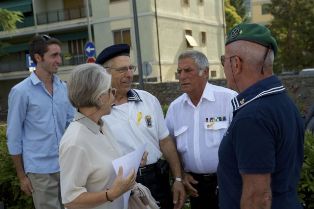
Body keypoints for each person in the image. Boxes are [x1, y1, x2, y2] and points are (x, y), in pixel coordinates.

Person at [218, 23, 304, 209]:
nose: (224, 66)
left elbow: (258, 198)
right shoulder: (281, 102)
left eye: (223, 60)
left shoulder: (253, 116)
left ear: (236, 64)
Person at [95, 44, 186, 209]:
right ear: (106, 72)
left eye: (131, 68)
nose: (129, 74)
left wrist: (178, 179)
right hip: (124, 184)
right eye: (122, 69)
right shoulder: (97, 110)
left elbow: (165, 142)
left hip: (158, 178)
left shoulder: (148, 99)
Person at [6, 34, 75, 209]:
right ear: (38, 57)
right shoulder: (21, 92)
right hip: (40, 171)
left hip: (67, 166)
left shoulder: (64, 88)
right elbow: (13, 136)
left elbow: (72, 125)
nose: (59, 60)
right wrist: (22, 176)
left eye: (60, 55)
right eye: (54, 55)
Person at [165, 50, 237, 209]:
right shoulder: (175, 108)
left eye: (188, 70)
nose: (182, 76)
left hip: (228, 182)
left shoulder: (229, 99)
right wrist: (181, 175)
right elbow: (168, 145)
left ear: (205, 72)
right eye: (179, 71)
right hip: (196, 187)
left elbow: (244, 143)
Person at [59, 63, 136, 209]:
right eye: (111, 90)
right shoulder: (75, 141)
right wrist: (111, 194)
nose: (114, 94)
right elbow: (70, 200)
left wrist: (133, 160)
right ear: (99, 97)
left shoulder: (102, 125)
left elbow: (106, 165)